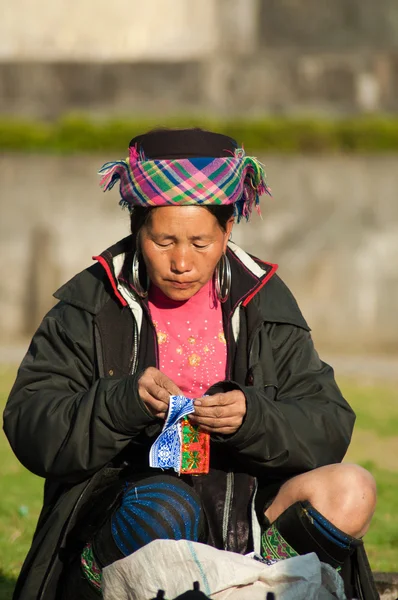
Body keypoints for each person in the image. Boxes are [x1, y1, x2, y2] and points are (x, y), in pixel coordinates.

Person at [3, 128, 378, 600]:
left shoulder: (263, 299)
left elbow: (328, 423)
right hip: (133, 516)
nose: (181, 262)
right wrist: (123, 403)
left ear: (227, 231)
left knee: (352, 488)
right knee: (166, 505)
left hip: (247, 519)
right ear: (138, 229)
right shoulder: (92, 303)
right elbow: (30, 423)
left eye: (200, 243)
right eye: (164, 241)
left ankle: (255, 583)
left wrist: (252, 417)